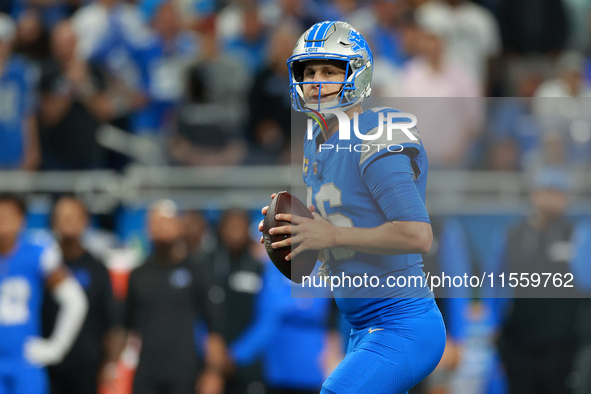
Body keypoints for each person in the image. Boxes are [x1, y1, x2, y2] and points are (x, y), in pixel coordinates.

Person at [259, 21, 446, 393]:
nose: (315, 80)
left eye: (329, 70)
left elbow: (417, 234)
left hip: (401, 323)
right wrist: (295, 232)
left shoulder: (377, 135)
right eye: (308, 71)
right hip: (360, 326)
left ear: (357, 75)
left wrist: (328, 232)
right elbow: (343, 233)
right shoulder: (317, 141)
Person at [123, 199, 226, 394]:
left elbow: (214, 327)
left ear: (179, 226)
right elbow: (125, 327)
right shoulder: (138, 275)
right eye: (156, 222)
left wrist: (213, 372)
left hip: (184, 373)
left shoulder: (197, 272)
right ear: (148, 228)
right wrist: (111, 367)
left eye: (167, 221)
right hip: (147, 371)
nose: (161, 228)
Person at [0, 193, 88, 393]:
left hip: (23, 359)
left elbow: (75, 301)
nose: (2, 221)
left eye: (8, 215)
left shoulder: (36, 252)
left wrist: (58, 346)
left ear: (21, 220)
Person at [42, 195, 124, 394]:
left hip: (86, 366)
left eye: (73, 216)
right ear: (53, 222)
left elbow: (110, 321)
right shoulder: (42, 266)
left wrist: (110, 364)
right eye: (62, 216)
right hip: (44, 365)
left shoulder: (96, 270)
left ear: (85, 222)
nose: (68, 221)